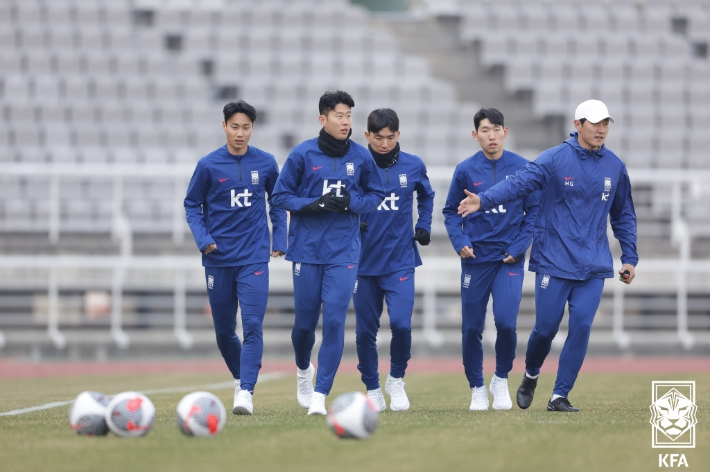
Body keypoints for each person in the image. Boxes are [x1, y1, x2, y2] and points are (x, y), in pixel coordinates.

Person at [457, 100, 638, 412]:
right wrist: (482, 201)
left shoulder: (615, 167)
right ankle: (531, 373)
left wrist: (629, 258)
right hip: (554, 260)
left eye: (605, 123)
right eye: (594, 123)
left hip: (594, 265)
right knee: (546, 329)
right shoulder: (554, 159)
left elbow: (624, 216)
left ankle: (559, 395)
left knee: (581, 326)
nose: (601, 129)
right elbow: (517, 185)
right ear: (578, 124)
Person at [271, 91, 385, 415]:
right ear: (323, 119)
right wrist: (311, 205)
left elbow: (376, 197)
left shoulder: (362, 158)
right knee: (304, 326)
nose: (345, 121)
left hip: (344, 251)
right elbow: (279, 197)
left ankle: (320, 395)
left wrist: (353, 203)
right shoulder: (302, 154)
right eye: (339, 115)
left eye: (349, 115)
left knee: (334, 321)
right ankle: (303, 370)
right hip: (306, 251)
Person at [184, 100, 287, 416]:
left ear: (252, 128)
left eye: (246, 127)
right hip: (218, 259)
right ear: (224, 127)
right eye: (234, 126)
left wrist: (279, 238)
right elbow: (192, 206)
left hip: (254, 257)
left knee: (253, 324)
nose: (240, 133)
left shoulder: (267, 163)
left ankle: (246, 392)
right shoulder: (208, 165)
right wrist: (203, 239)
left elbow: (279, 202)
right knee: (225, 331)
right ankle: (240, 376)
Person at [443, 108, 540, 411]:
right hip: (475, 259)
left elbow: (534, 212)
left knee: (506, 323)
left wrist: (520, 245)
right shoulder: (465, 170)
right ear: (475, 135)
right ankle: (476, 388)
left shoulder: (523, 168)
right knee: (472, 327)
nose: (492, 135)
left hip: (508, 260)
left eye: (496, 129)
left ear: (505, 132)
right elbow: (449, 212)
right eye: (485, 130)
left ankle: (500, 379)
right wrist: (460, 241)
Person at [354, 108, 435, 412]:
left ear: (398, 135)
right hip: (362, 263)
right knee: (365, 332)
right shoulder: (355, 165)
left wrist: (424, 224)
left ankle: (396, 379)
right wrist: (356, 216)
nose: (384, 143)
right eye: (378, 138)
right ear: (367, 136)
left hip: (400, 260)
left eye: (390, 137)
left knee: (401, 325)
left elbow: (426, 195)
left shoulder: (413, 165)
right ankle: (373, 387)